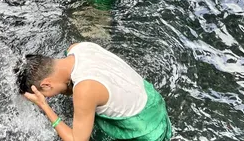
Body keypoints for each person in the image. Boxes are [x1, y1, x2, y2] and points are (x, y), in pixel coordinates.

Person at [18, 42, 173, 140]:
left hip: (145, 129)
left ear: (46, 84)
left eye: (44, 94)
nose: (48, 97)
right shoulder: (78, 48)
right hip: (152, 100)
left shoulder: (84, 90)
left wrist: (44, 106)